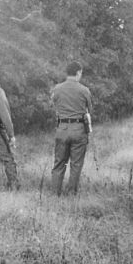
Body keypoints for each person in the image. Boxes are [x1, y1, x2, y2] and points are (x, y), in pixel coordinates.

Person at [50, 61, 93, 196]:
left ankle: (55, 193)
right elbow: (89, 110)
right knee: (76, 164)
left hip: (62, 128)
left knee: (59, 163)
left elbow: (53, 106)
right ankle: (70, 194)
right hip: (79, 129)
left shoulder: (57, 89)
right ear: (78, 72)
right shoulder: (84, 90)